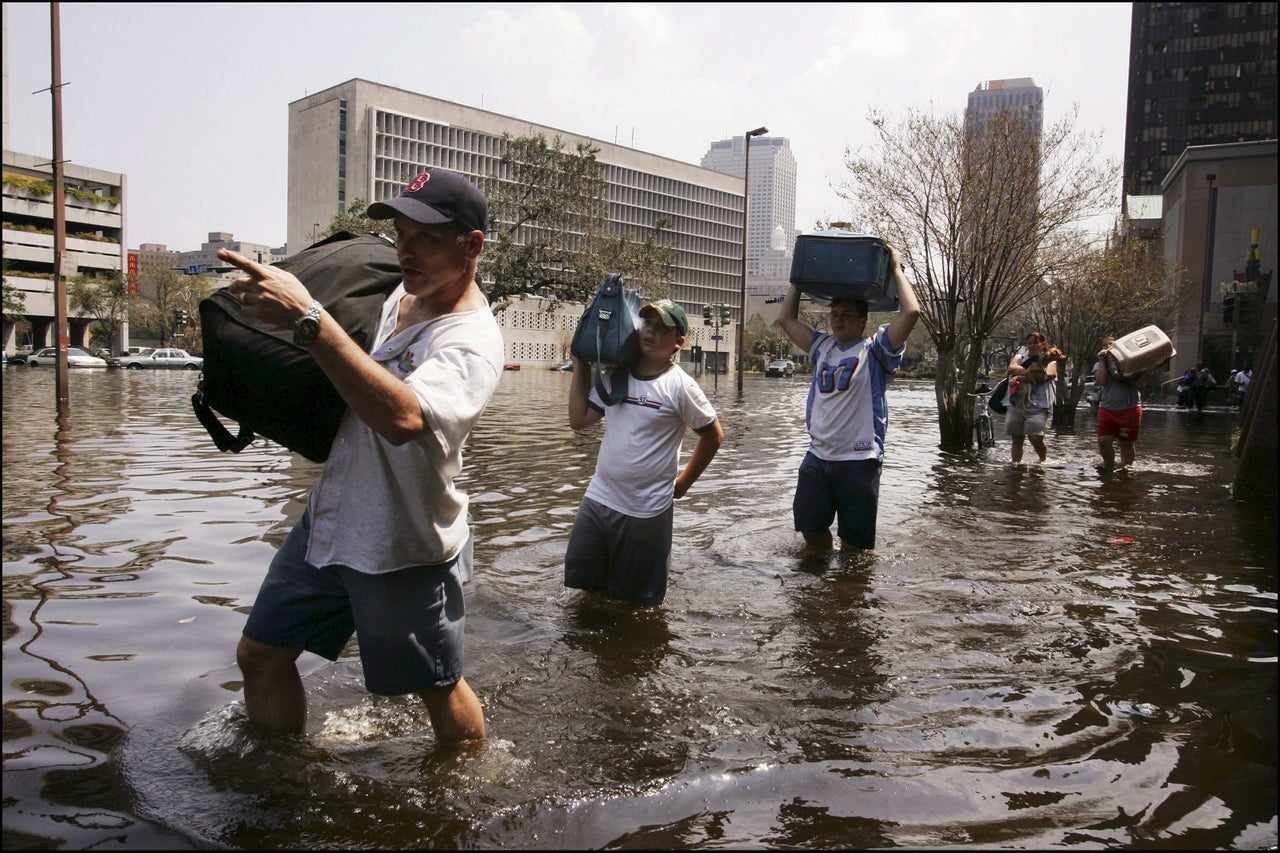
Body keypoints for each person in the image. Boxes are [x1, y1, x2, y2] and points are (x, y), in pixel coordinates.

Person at [216, 168, 505, 746]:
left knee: (436, 684)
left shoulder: (472, 342)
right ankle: (279, 782)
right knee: (260, 655)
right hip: (330, 520)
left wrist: (310, 323)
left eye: (425, 237)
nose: (406, 251)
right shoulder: (403, 291)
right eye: (400, 234)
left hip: (402, 541)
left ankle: (469, 780)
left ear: (471, 246)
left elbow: (403, 419)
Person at [565, 299, 723, 606]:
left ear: (678, 342)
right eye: (647, 323)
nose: (650, 331)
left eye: (661, 328)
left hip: (646, 511)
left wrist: (683, 483)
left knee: (636, 607)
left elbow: (713, 436)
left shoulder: (681, 387)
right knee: (583, 591)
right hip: (599, 500)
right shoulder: (616, 376)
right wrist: (581, 363)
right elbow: (578, 420)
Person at [777, 246, 921, 551]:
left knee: (855, 547)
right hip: (818, 456)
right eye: (835, 314)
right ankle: (824, 585)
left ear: (862, 322)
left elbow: (911, 313)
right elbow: (786, 319)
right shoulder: (822, 347)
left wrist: (895, 269)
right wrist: (797, 281)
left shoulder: (876, 349)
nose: (838, 320)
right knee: (810, 528)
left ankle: (849, 590)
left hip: (859, 459)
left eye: (847, 316)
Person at [1093, 335, 1152, 470]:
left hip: (1130, 408)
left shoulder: (1131, 363)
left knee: (1126, 443)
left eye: (1111, 344)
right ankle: (1109, 465)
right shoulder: (1099, 364)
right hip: (1108, 408)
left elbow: (1138, 385)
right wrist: (1103, 362)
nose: (1107, 347)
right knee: (1103, 442)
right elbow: (1101, 380)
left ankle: (1125, 469)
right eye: (1105, 345)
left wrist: (1149, 370)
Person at [1003, 331, 1060, 465]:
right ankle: (1016, 465)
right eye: (1029, 343)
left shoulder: (1050, 361)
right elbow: (1011, 368)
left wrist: (1019, 375)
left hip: (1039, 405)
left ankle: (1042, 460)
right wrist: (1028, 372)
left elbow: (1045, 376)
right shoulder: (1020, 357)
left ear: (1043, 344)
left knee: (1035, 437)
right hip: (1016, 402)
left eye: (1035, 343)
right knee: (1017, 438)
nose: (1032, 345)